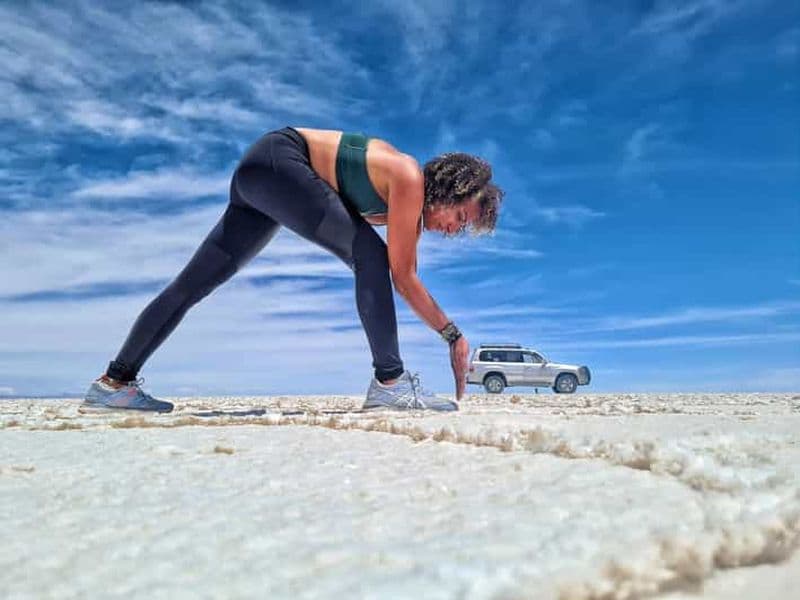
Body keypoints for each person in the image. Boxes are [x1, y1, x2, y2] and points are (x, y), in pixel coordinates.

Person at [82, 126, 504, 412]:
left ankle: (114, 383)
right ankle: (390, 384)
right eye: (462, 218)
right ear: (453, 189)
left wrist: (451, 334)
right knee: (369, 255)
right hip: (282, 161)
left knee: (194, 283)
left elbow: (403, 273)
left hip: (262, 175)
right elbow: (403, 277)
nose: (453, 231)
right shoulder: (408, 176)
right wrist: (452, 335)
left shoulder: (403, 206)